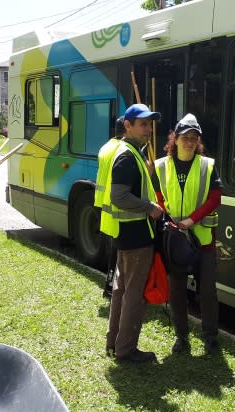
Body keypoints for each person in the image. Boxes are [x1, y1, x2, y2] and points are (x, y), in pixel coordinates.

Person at [154, 113, 222, 355]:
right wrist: (169, 219)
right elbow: (158, 196)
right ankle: (182, 338)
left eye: (194, 138)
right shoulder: (161, 165)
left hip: (202, 240)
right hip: (175, 242)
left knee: (207, 292)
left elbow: (215, 197)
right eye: (185, 137)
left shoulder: (207, 165)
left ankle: (210, 338)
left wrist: (192, 219)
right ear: (175, 139)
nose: (190, 142)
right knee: (177, 292)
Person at [101, 104, 163, 363]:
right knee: (133, 295)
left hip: (127, 235)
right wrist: (150, 208)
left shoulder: (132, 153)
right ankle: (126, 350)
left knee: (121, 291)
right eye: (143, 124)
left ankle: (114, 342)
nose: (148, 129)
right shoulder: (127, 156)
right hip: (136, 237)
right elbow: (119, 196)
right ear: (128, 126)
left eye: (150, 124)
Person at [94, 116, 126, 298]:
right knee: (118, 252)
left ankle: (108, 284)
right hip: (115, 206)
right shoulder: (121, 150)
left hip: (102, 204)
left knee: (112, 249)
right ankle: (110, 287)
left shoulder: (105, 147)